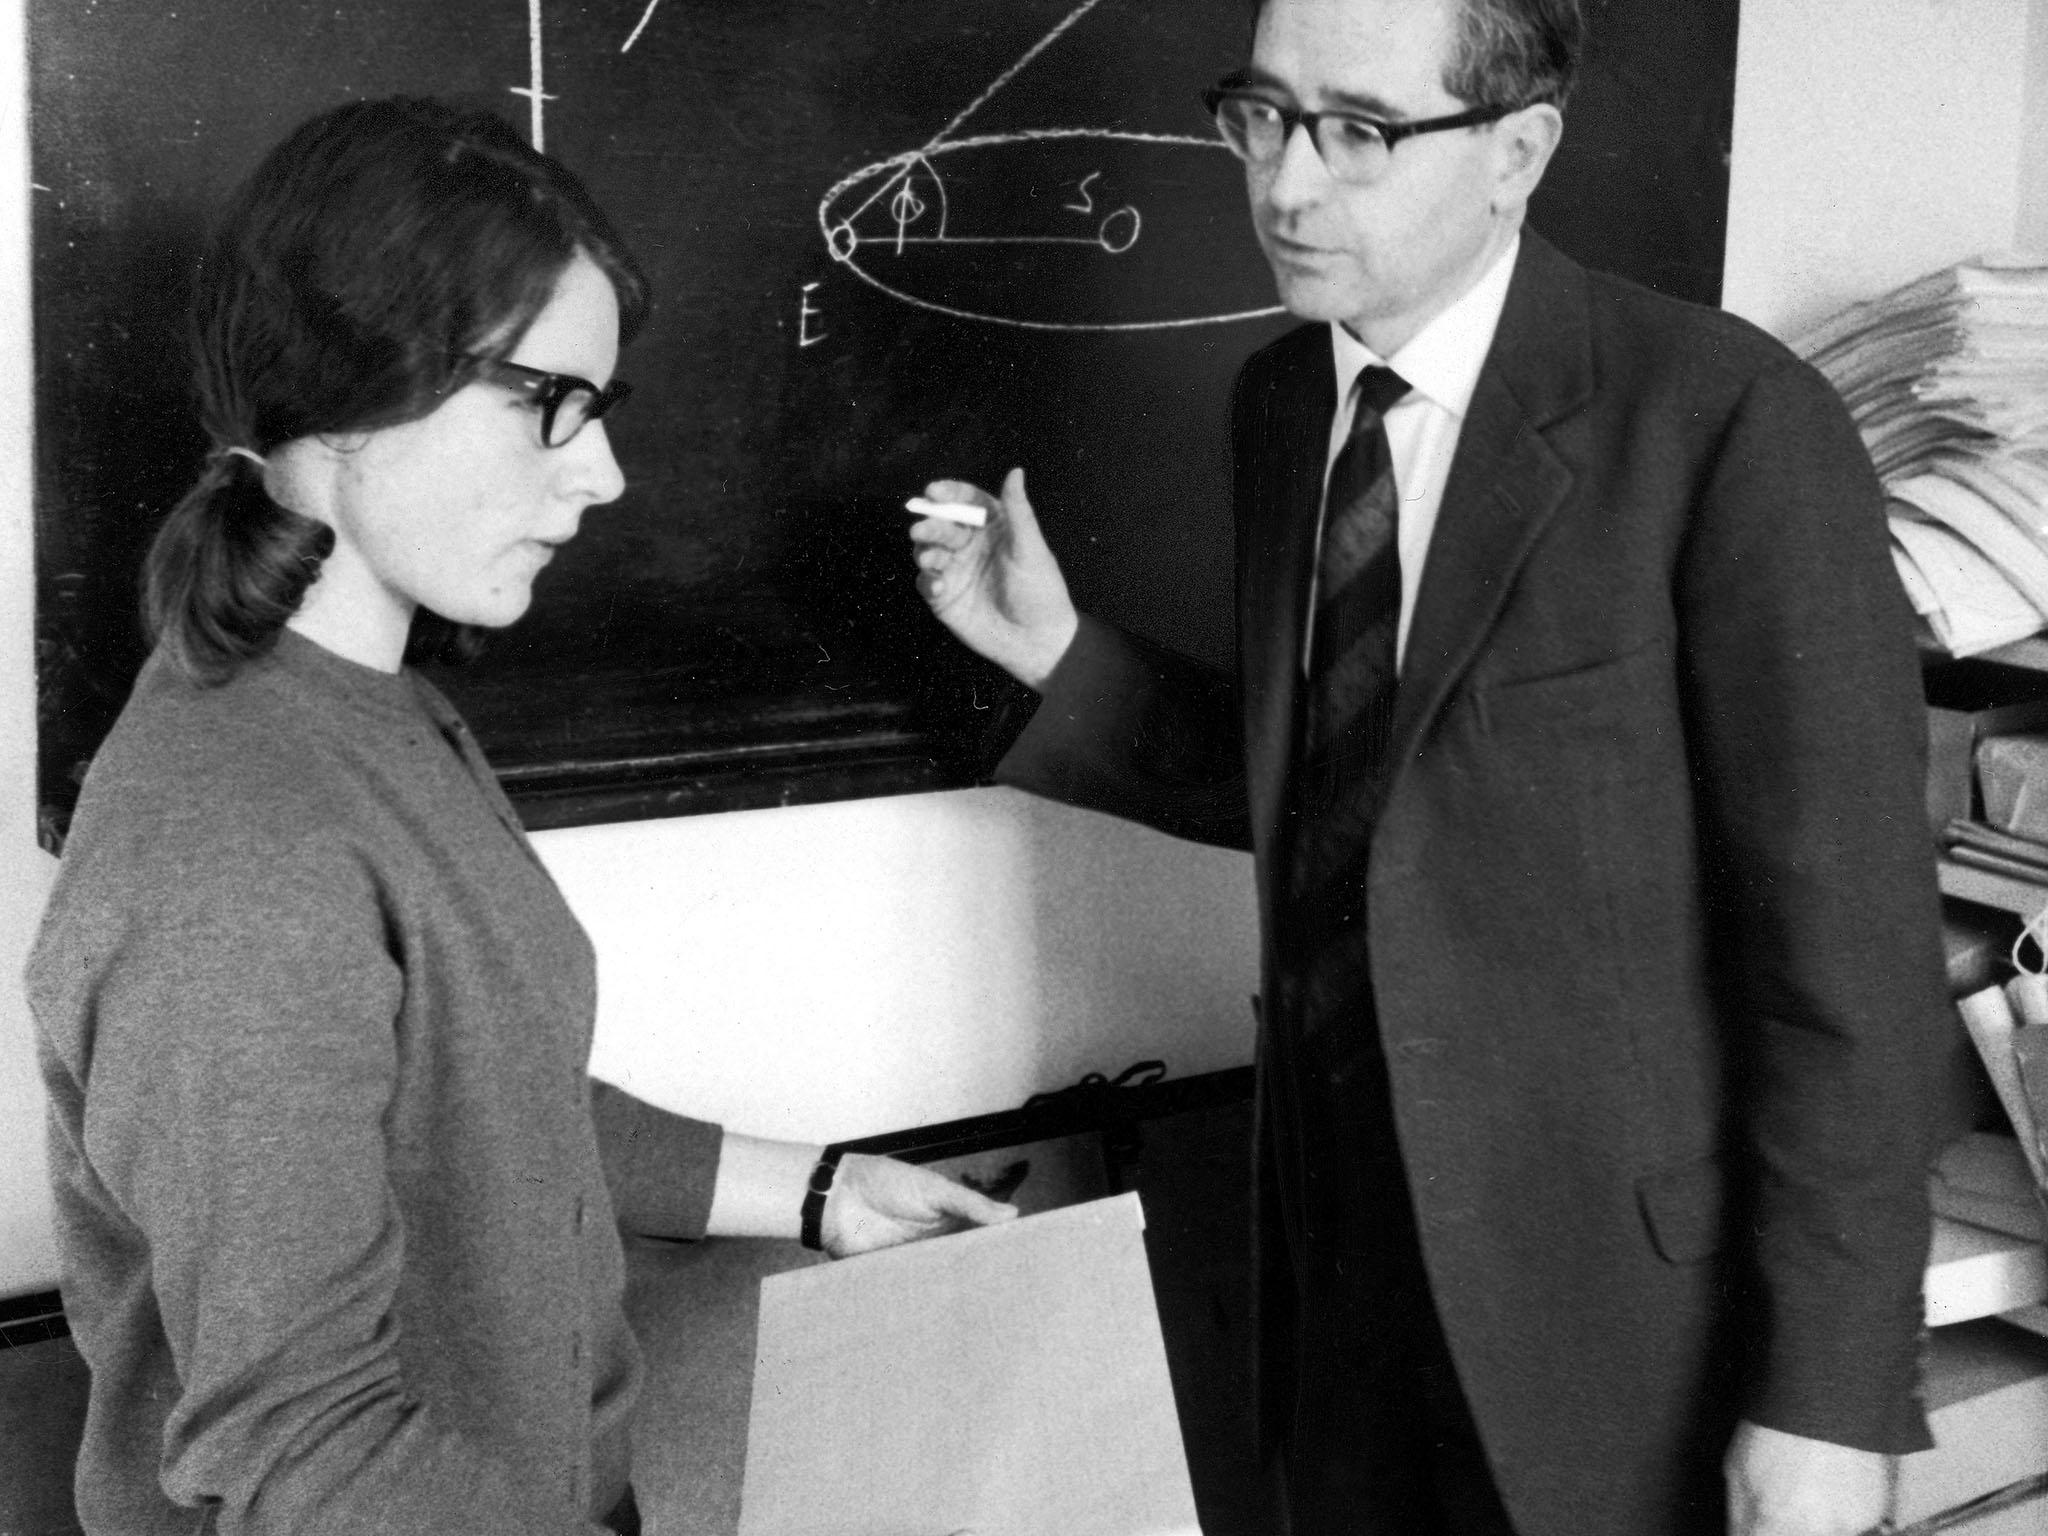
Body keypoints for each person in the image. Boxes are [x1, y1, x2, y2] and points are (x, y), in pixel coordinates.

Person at [905, 1, 1948, 1533]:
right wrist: (1066, 659)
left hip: (1618, 1328)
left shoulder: (1726, 422)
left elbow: (1848, 964)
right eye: (1261, 115)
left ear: (1519, 150)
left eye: (1361, 132)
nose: (1288, 184)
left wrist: (1829, 1397)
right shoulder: (1283, 407)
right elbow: (1363, 802)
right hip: (1333, 1279)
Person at [26, 96, 1013, 1536]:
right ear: (361, 381)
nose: (601, 472)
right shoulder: (237, 850)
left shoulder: (377, 712)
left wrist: (820, 1193)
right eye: (551, 402)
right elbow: (312, 1462)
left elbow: (481, 1106)